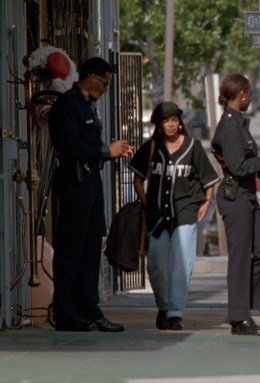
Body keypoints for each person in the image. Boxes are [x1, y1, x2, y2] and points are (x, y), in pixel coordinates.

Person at [49, 56, 132, 332]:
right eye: (105, 83)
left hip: (91, 183)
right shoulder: (67, 106)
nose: (106, 89)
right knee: (71, 249)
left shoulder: (88, 107)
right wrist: (106, 151)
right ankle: (66, 312)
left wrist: (107, 152)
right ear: (92, 78)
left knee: (91, 247)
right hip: (75, 182)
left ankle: (89, 307)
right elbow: (71, 147)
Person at [129, 102, 219, 330]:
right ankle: (164, 306)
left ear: (179, 122)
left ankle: (176, 313)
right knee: (156, 265)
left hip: (185, 213)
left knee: (181, 265)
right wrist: (145, 201)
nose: (170, 124)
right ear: (159, 125)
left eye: (174, 120)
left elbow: (209, 179)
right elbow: (137, 177)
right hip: (157, 217)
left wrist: (207, 202)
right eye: (165, 121)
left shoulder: (193, 147)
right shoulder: (151, 147)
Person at [211, 73, 260, 336]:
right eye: (249, 94)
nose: (250, 98)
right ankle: (239, 317)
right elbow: (239, 165)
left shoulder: (239, 124)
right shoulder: (230, 126)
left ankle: (242, 307)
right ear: (241, 94)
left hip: (247, 193)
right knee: (240, 258)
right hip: (235, 196)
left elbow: (244, 163)